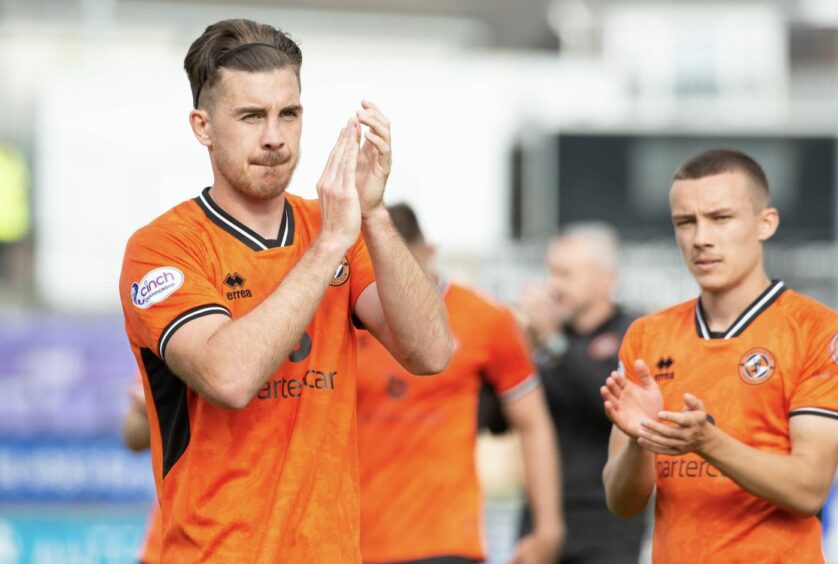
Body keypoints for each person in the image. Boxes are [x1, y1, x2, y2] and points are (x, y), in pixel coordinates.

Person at [118, 19, 452, 562]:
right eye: (251, 116)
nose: (274, 137)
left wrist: (373, 214)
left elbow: (432, 352)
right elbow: (229, 377)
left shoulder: (341, 225)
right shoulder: (162, 248)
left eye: (288, 114)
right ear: (203, 126)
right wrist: (328, 249)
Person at [601, 149, 838, 563]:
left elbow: (808, 489)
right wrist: (639, 440)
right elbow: (622, 502)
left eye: (720, 218)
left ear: (765, 223)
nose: (701, 238)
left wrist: (706, 441)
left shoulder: (820, 331)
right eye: (685, 222)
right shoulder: (647, 336)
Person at [356, 203, 564, 564]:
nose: (398, 283)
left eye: (407, 266)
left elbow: (533, 424)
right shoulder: (350, 313)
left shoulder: (486, 318)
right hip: (347, 540)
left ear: (430, 253)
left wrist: (548, 528)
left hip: (445, 540)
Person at [519, 223, 644, 563]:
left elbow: (607, 401)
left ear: (606, 278)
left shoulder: (634, 334)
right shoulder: (543, 341)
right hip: (540, 518)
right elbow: (498, 420)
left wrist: (553, 342)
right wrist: (521, 352)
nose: (554, 286)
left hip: (605, 525)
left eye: (565, 274)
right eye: (551, 273)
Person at [121, 380, 161, 564]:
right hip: (167, 543)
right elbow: (133, 437)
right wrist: (160, 407)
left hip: (253, 543)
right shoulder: (173, 352)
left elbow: (234, 395)